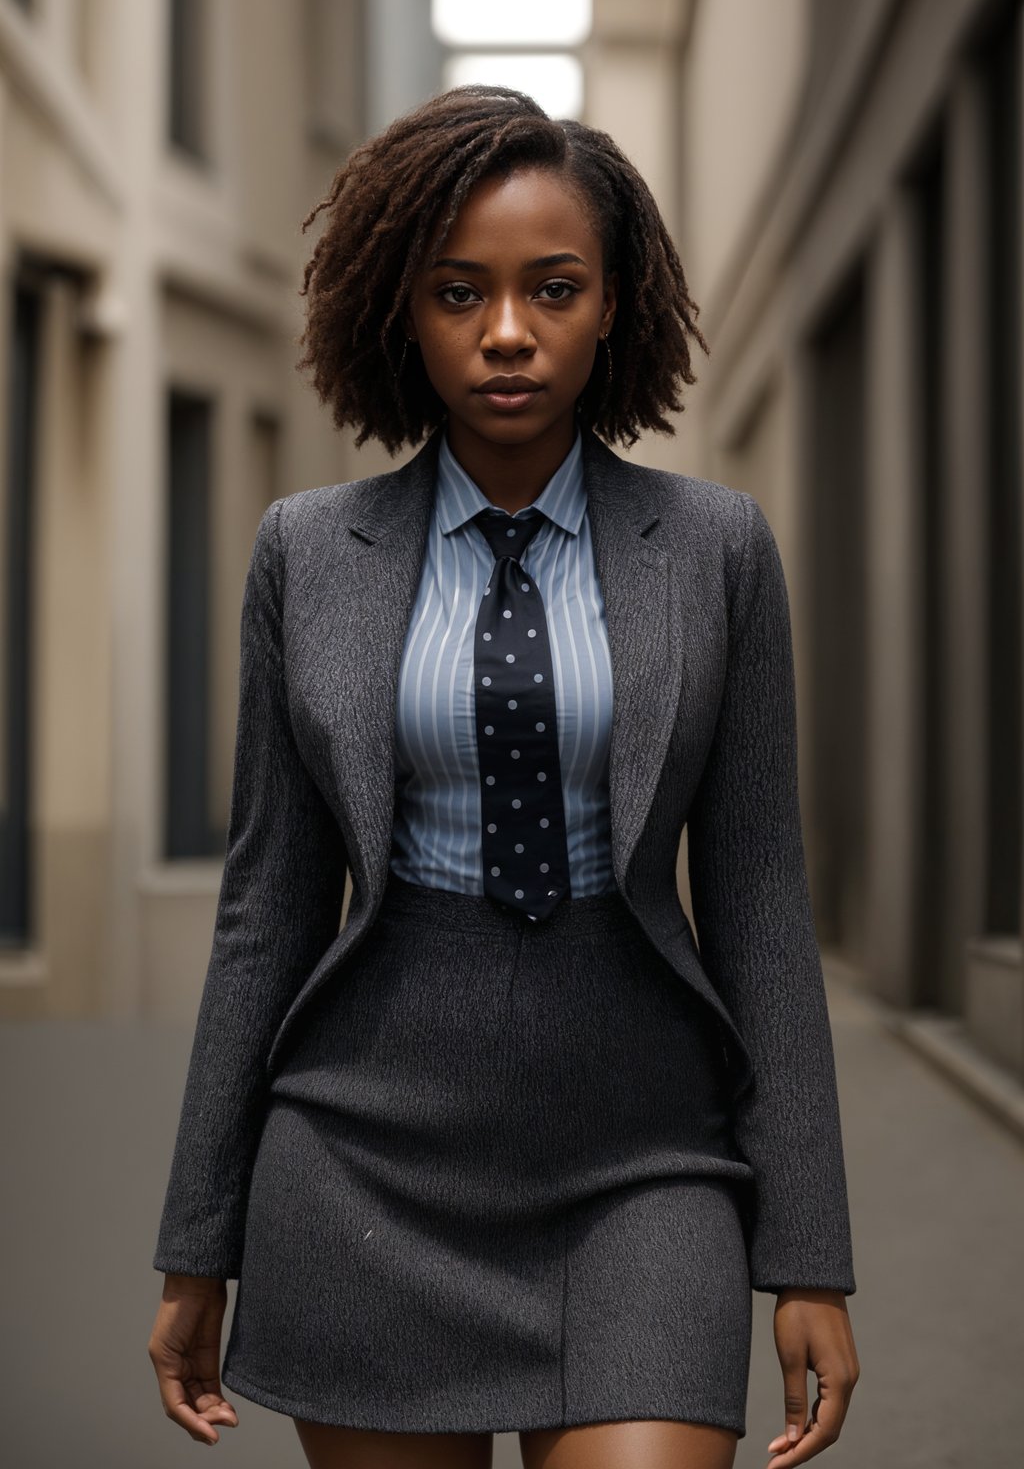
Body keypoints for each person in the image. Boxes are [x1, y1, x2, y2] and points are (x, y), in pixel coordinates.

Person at [148, 85, 860, 1469]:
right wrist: (198, 1240)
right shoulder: (308, 553)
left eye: (554, 289)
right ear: (400, 316)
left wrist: (811, 1254)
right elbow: (269, 906)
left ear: (615, 307)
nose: (509, 333)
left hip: (647, 1155)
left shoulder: (717, 552)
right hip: (363, 1159)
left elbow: (764, 900)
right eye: (459, 293)